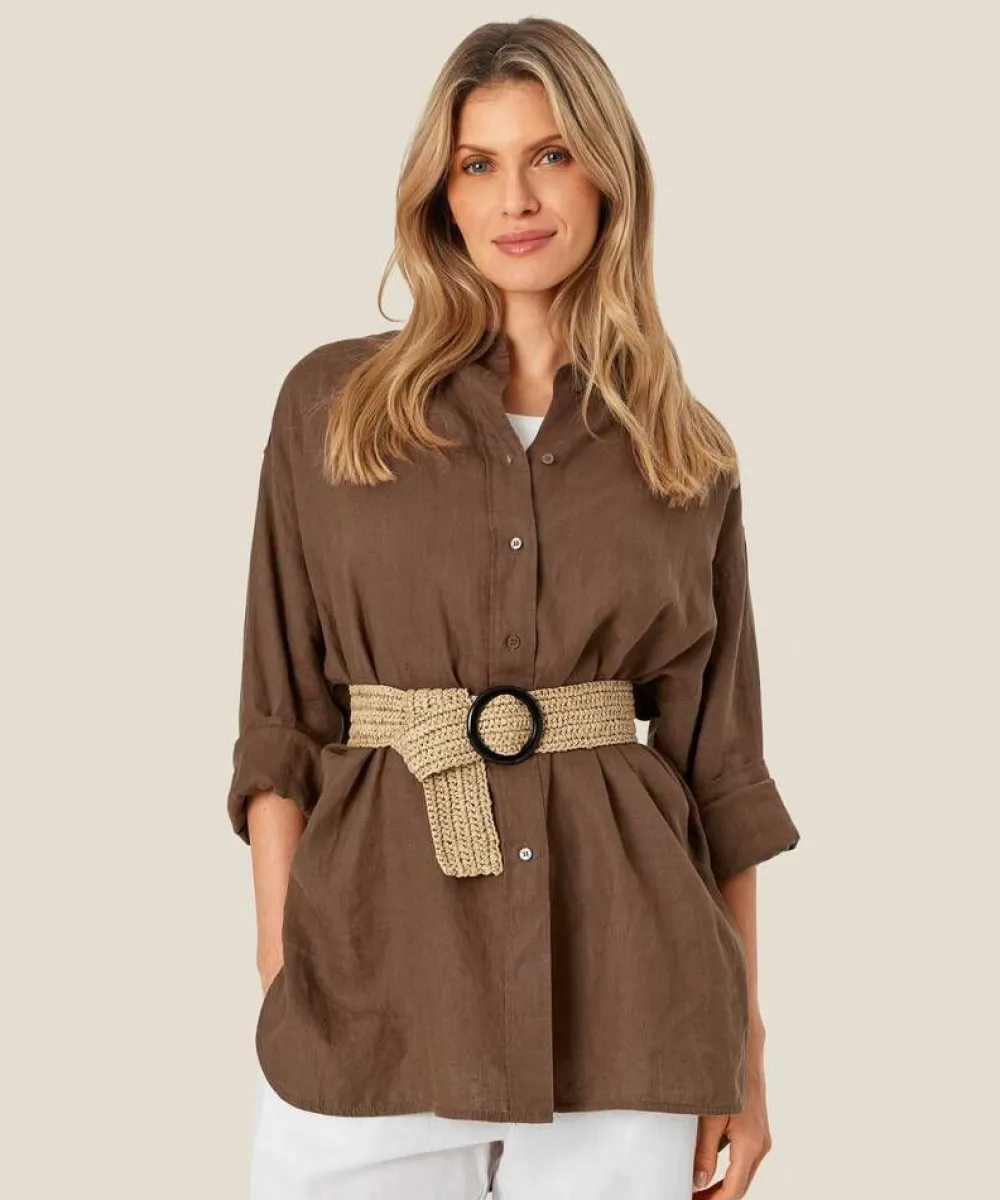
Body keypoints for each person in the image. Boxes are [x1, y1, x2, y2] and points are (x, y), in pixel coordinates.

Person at [227, 17, 801, 1200]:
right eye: (477, 164)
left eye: (550, 154)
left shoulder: (682, 449)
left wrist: (741, 1049)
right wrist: (285, 961)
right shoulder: (332, 407)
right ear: (440, 195)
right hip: (371, 991)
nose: (515, 198)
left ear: (606, 175)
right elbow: (280, 718)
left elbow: (720, 772)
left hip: (631, 999)